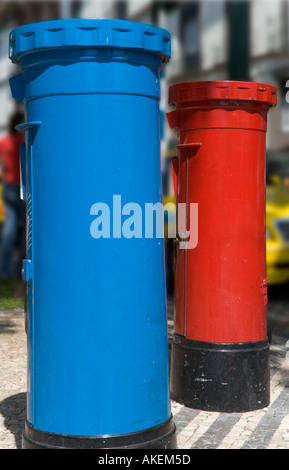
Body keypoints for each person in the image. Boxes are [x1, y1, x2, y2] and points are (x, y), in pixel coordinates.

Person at [0, 110, 25, 279]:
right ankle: (19, 270)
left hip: (8, 187)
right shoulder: (24, 141)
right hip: (22, 188)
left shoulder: (4, 142)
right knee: (26, 231)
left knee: (9, 230)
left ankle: (4, 269)